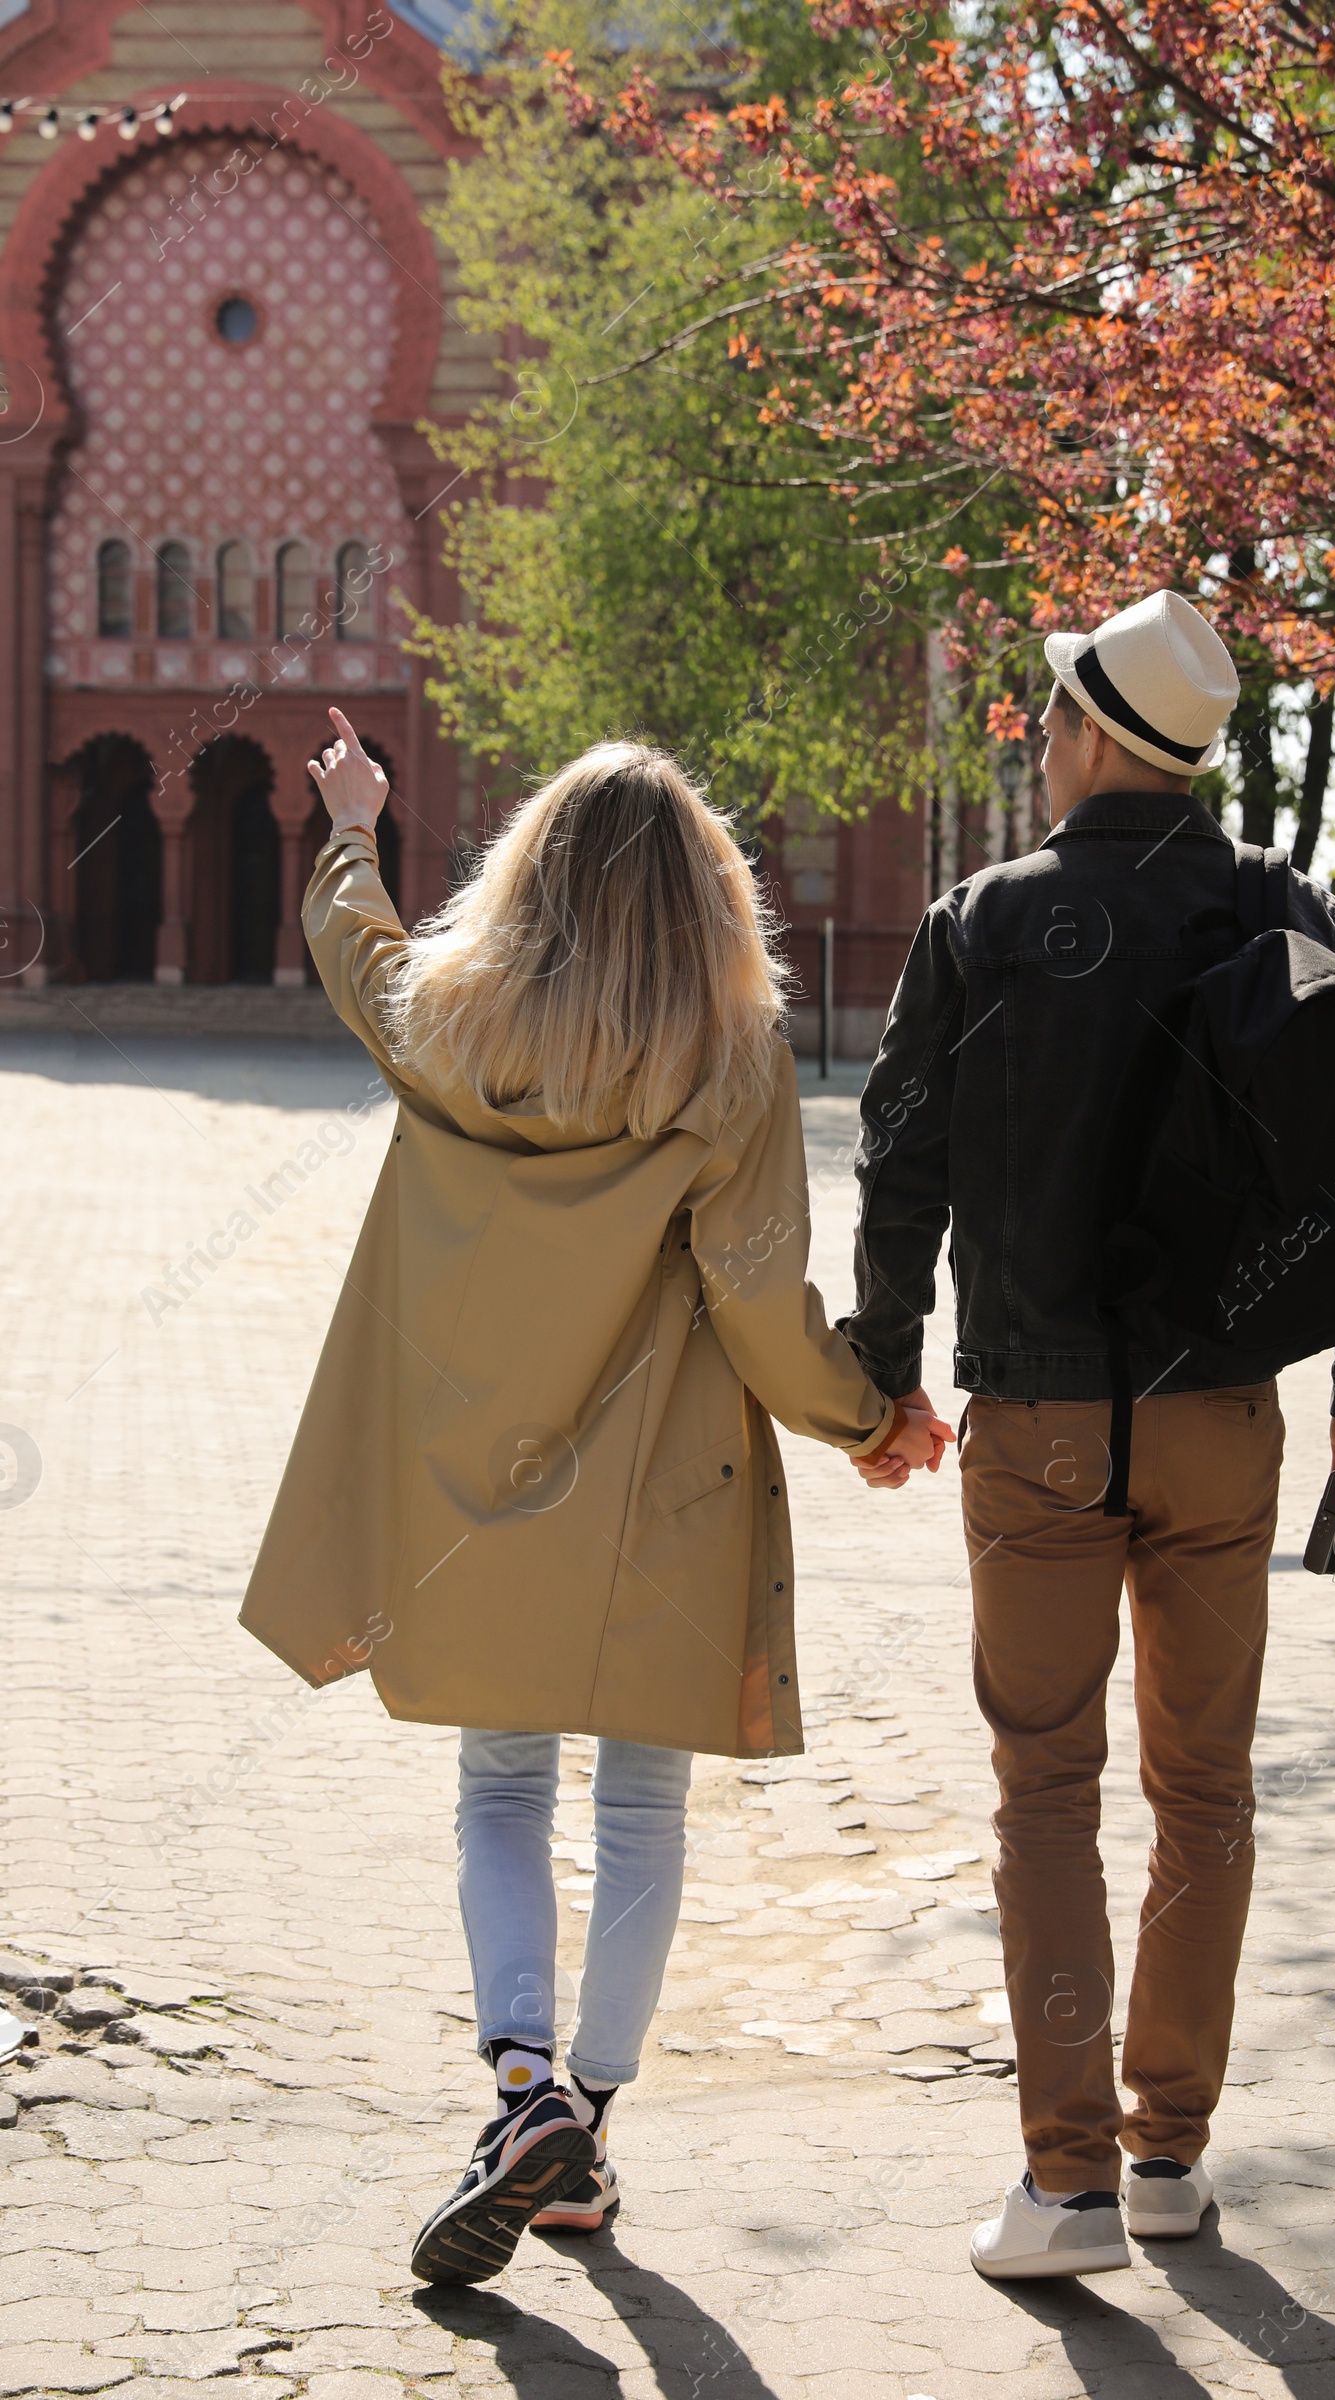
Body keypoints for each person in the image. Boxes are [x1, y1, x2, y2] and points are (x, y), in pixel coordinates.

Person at [241, 708, 949, 2286]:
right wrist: (869, 1420)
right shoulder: (737, 1058)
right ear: (709, 898)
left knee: (501, 1789)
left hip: (473, 1491)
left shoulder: (446, 1021)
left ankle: (517, 2092)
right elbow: (763, 1301)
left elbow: (355, 946)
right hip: (659, 1492)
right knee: (638, 1807)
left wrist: (352, 823)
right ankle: (583, 2144)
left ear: (529, 877)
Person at [841, 592, 1335, 2279]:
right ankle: (1169, 2160)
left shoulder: (981, 919)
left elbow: (899, 1167)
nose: (1037, 741)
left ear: (1090, 731)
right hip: (1227, 1421)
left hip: (1037, 1426)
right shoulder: (1286, 912)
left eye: (1047, 716)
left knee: (1045, 1796)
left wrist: (885, 1379)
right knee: (1206, 1791)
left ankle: (1068, 2184)